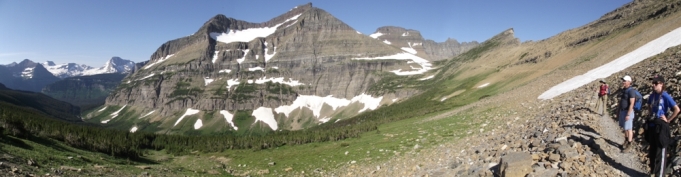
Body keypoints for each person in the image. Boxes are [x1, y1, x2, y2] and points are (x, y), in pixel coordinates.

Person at [645, 75, 679, 175]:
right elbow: (649, 105)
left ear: (661, 84)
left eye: (655, 83)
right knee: (653, 152)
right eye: (653, 83)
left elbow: (676, 109)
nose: (653, 85)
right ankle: (653, 172)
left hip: (661, 127)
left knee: (661, 153)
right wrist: (651, 114)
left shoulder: (665, 95)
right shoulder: (652, 96)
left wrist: (668, 120)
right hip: (653, 126)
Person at [619, 75, 635, 152]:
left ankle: (629, 144)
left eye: (625, 81)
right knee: (625, 128)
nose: (623, 82)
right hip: (623, 111)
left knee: (629, 129)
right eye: (623, 81)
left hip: (628, 112)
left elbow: (632, 103)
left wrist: (628, 114)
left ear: (629, 82)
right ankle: (626, 141)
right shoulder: (624, 90)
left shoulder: (631, 91)